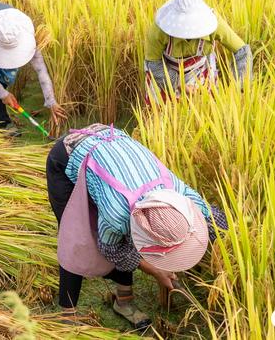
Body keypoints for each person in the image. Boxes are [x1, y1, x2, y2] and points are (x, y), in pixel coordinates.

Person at [46, 123, 228, 329]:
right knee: (77, 236)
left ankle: (123, 302)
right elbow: (113, 250)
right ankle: (67, 315)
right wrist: (156, 270)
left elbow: (216, 222)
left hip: (110, 148)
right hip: (68, 156)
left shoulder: (180, 194)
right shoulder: (118, 214)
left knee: (126, 231)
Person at [0, 1, 67, 133]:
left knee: (1, 78)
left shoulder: (25, 31)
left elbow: (41, 70)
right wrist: (3, 94)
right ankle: (0, 123)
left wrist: (51, 101)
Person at [144, 0, 253, 102]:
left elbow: (242, 51)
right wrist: (179, 85)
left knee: (203, 110)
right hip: (166, 74)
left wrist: (240, 88)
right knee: (163, 114)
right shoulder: (159, 29)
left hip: (199, 70)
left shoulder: (214, 23)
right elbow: (154, 64)